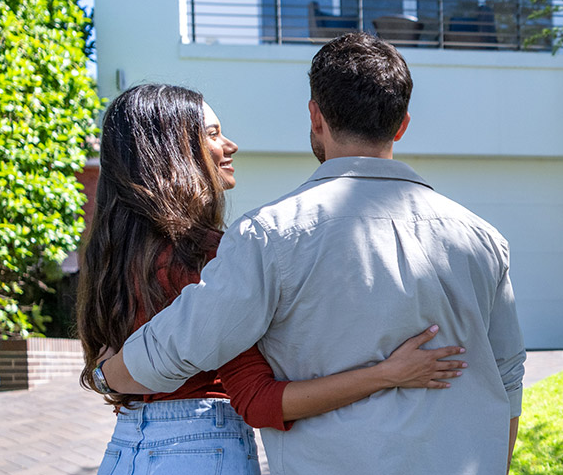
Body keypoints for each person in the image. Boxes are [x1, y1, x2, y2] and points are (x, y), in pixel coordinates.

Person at [96, 33, 527, 475]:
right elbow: (508, 379)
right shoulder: (483, 239)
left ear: (315, 116)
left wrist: (104, 375)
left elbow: (180, 347)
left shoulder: (268, 236)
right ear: (401, 125)